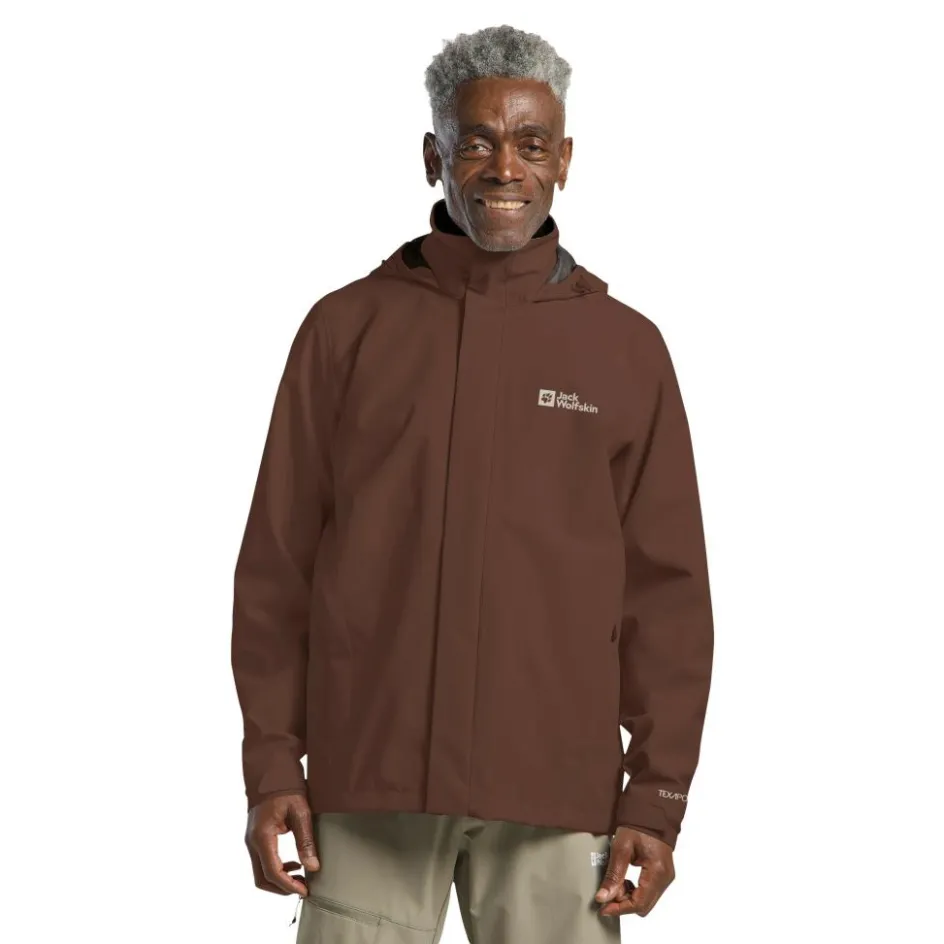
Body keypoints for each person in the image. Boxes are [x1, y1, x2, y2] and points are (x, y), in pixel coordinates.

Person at [231, 23, 714, 943]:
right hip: (369, 783)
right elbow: (277, 570)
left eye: (531, 144)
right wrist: (273, 767)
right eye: (477, 143)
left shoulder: (625, 350)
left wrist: (656, 799)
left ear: (564, 160)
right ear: (433, 157)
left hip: (554, 790)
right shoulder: (345, 331)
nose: (505, 168)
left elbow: (669, 596)